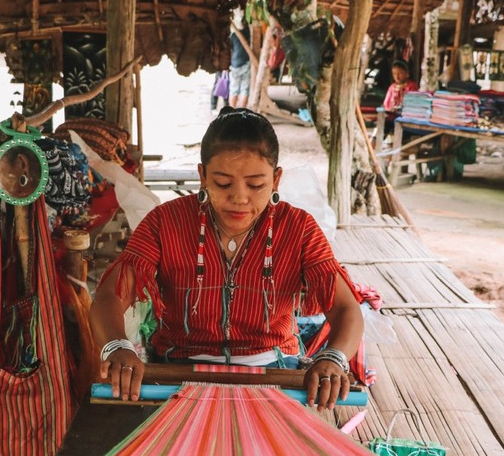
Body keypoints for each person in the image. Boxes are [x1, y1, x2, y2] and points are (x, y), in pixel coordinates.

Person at [90, 107, 364, 410]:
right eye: (222, 183)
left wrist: (333, 357)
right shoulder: (165, 222)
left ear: (276, 180)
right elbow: (109, 297)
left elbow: (345, 307)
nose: (239, 197)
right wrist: (117, 347)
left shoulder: (298, 228)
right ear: (202, 176)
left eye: (256, 184)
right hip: (176, 372)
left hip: (275, 372)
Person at [382, 60, 418, 131]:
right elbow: (386, 105)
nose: (397, 77)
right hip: (393, 116)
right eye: (394, 74)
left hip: (407, 116)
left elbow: (413, 103)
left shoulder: (412, 86)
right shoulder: (392, 87)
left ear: (407, 73)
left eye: (400, 73)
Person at [228, 17, 252, 108]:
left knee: (233, 89)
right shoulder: (249, 34)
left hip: (235, 64)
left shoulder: (234, 35)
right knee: (244, 90)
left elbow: (230, 50)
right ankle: (242, 112)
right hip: (246, 63)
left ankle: (231, 112)